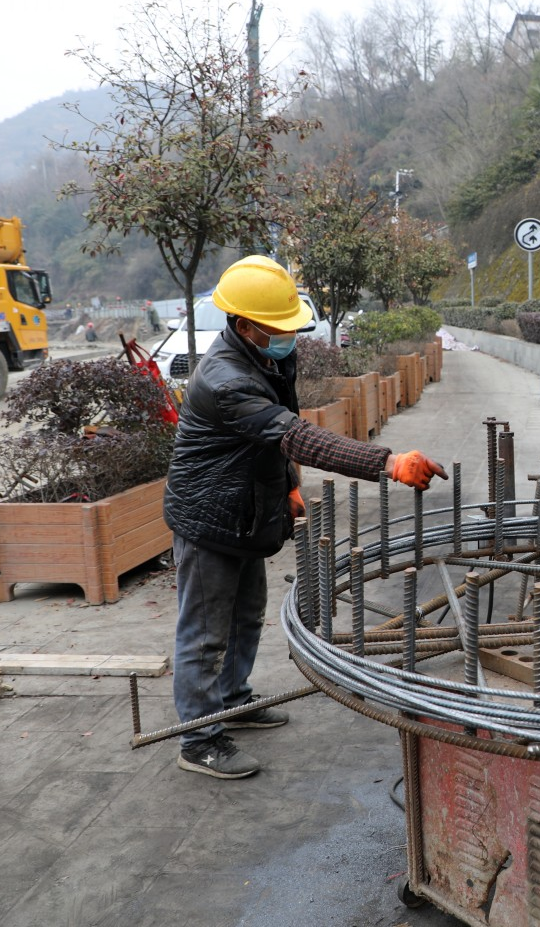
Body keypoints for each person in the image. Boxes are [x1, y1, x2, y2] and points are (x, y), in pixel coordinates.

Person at [164, 255, 447, 779]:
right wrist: (385, 462)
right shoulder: (227, 379)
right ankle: (199, 739)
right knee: (204, 631)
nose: (290, 336)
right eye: (280, 328)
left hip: (247, 508)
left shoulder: (267, 359)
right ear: (244, 325)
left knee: (246, 614)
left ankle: (233, 700)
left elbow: (280, 435)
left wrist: (289, 486)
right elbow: (297, 435)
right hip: (210, 518)